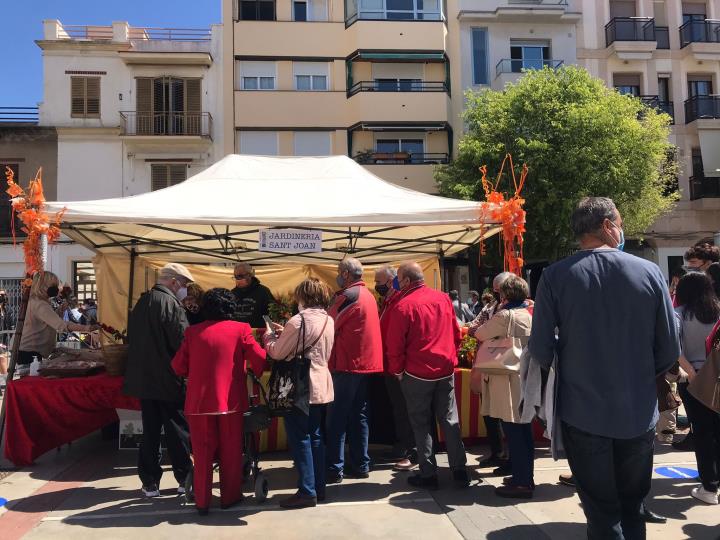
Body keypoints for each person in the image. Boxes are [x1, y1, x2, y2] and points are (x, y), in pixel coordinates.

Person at [529, 197, 679, 539]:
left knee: (600, 509)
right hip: (638, 411)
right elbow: (670, 348)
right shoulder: (650, 272)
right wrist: (638, 372)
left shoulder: (554, 276)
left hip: (583, 411)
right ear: (609, 226)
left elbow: (540, 349)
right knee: (632, 505)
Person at [172, 288, 267, 515]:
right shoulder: (241, 329)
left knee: (202, 454)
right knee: (231, 451)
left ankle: (202, 501)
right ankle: (229, 497)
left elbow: (178, 366)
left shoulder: (192, 332)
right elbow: (259, 359)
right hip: (230, 402)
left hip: (198, 403)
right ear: (231, 308)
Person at [385, 261, 470, 489]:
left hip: (416, 372)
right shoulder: (442, 298)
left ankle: (429, 473)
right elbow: (456, 332)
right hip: (443, 369)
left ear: (406, 281)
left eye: (398, 279)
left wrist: (398, 371)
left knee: (420, 423)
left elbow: (394, 346)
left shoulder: (402, 306)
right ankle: (460, 470)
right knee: (450, 421)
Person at [124, 263, 195, 498]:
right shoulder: (171, 303)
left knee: (150, 431)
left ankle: (149, 481)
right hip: (169, 378)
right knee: (177, 430)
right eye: (184, 284)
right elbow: (182, 342)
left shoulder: (142, 302)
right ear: (173, 282)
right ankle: (184, 478)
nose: (185, 289)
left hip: (145, 379)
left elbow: (131, 338)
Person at [264, 278, 335, 508]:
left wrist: (269, 338)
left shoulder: (298, 320)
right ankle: (317, 487)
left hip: (300, 386)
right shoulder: (328, 319)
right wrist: (287, 333)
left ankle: (307, 491)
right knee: (315, 437)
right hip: (320, 383)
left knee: (300, 438)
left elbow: (277, 353)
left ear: (303, 296)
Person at [474, 275, 534, 498]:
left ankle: (521, 482)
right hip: (525, 376)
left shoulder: (504, 315)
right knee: (524, 431)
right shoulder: (529, 314)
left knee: (514, 432)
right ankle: (525, 476)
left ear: (506, 294)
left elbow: (480, 332)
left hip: (507, 377)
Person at [326, 257, 383, 483]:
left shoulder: (348, 296)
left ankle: (334, 468)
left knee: (337, 418)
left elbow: (327, 324)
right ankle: (361, 464)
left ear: (347, 275)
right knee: (358, 415)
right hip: (362, 365)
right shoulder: (367, 294)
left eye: (340, 272)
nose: (338, 276)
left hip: (347, 364)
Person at [674, 271, 720, 505]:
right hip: (718, 376)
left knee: (702, 433)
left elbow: (675, 348)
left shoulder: (679, 314)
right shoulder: (718, 310)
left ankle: (709, 487)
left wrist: (691, 372)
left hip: (693, 379)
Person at [468, 271, 514, 468]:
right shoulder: (490, 306)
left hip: (507, 367)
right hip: (487, 365)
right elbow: (474, 326)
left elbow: (484, 331)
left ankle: (510, 457)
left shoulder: (521, 308)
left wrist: (483, 331)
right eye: (495, 291)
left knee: (507, 415)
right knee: (489, 413)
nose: (497, 294)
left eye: (500, 290)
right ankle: (496, 452)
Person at [376, 265, 415, 471]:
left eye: (379, 282)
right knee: (398, 409)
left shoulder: (400, 300)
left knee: (404, 409)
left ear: (392, 281)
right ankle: (402, 446)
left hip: (399, 366)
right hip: (390, 365)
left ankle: (410, 451)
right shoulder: (389, 300)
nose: (376, 286)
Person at [18, 271, 97, 367]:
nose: (55, 289)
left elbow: (50, 320)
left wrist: (63, 307)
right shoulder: (40, 304)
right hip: (29, 352)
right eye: (53, 285)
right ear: (43, 285)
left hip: (30, 350)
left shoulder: (38, 301)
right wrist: (87, 328)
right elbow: (60, 325)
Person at [231, 262, 275, 328]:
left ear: (249, 275)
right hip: (237, 333)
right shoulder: (233, 293)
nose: (238, 279)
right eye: (235, 277)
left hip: (257, 333)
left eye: (240, 276)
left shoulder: (263, 291)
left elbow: (270, 314)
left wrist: (270, 330)